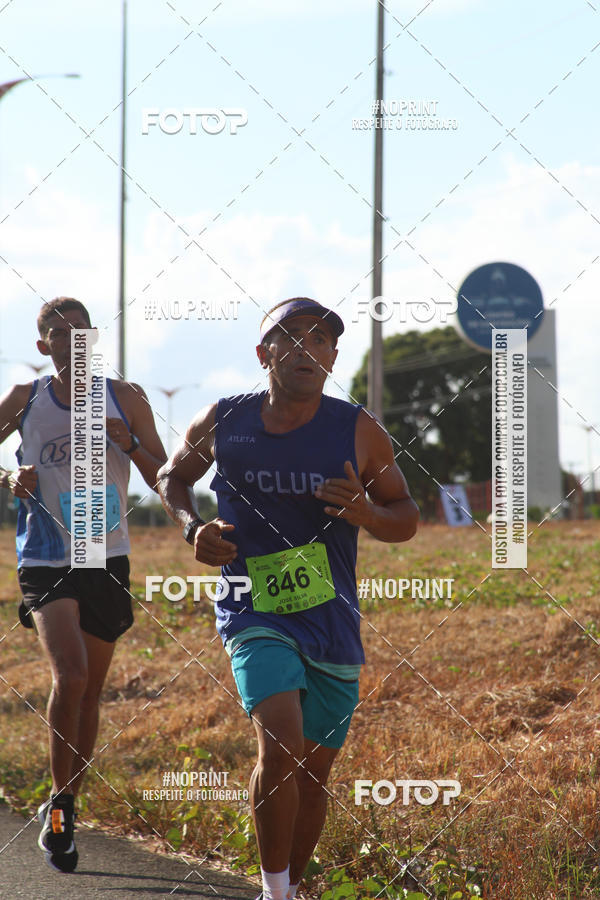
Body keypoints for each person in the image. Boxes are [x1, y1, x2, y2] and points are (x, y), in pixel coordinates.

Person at [157, 297, 419, 900]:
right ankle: (273, 892)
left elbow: (406, 516)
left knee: (313, 771)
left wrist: (369, 513)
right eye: (292, 337)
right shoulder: (227, 420)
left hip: (331, 617)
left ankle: (293, 886)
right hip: (254, 608)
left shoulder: (356, 429)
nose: (308, 348)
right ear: (263, 353)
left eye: (321, 339)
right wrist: (192, 528)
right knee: (280, 743)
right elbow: (173, 476)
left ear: (332, 357)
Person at [0, 297, 166, 872]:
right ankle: (59, 810)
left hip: (105, 550)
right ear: (42, 344)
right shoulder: (27, 400)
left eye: (82, 331)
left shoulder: (129, 397)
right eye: (58, 332)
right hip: (45, 555)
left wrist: (130, 443)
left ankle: (65, 800)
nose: (72, 340)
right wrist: (8, 474)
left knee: (91, 691)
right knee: (68, 675)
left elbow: (164, 472)